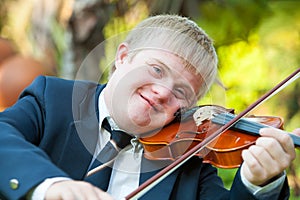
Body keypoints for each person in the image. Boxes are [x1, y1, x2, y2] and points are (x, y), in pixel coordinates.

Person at [0, 14, 298, 200]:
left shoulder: (187, 162)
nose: (162, 93)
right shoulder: (52, 99)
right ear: (123, 58)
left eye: (182, 91)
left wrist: (258, 183)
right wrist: (49, 186)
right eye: (156, 70)